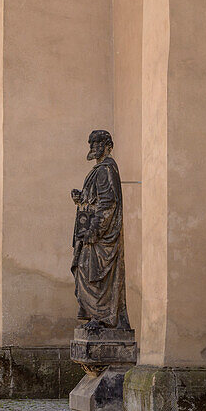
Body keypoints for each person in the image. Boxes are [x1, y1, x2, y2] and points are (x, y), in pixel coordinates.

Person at [71, 130, 129, 329]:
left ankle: (101, 317)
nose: (93, 148)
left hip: (100, 237)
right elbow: (96, 199)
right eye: (91, 144)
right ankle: (94, 315)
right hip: (91, 233)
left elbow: (107, 203)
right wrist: (82, 197)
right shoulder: (99, 169)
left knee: (94, 273)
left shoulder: (105, 169)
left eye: (97, 144)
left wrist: (94, 231)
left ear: (108, 146)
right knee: (85, 270)